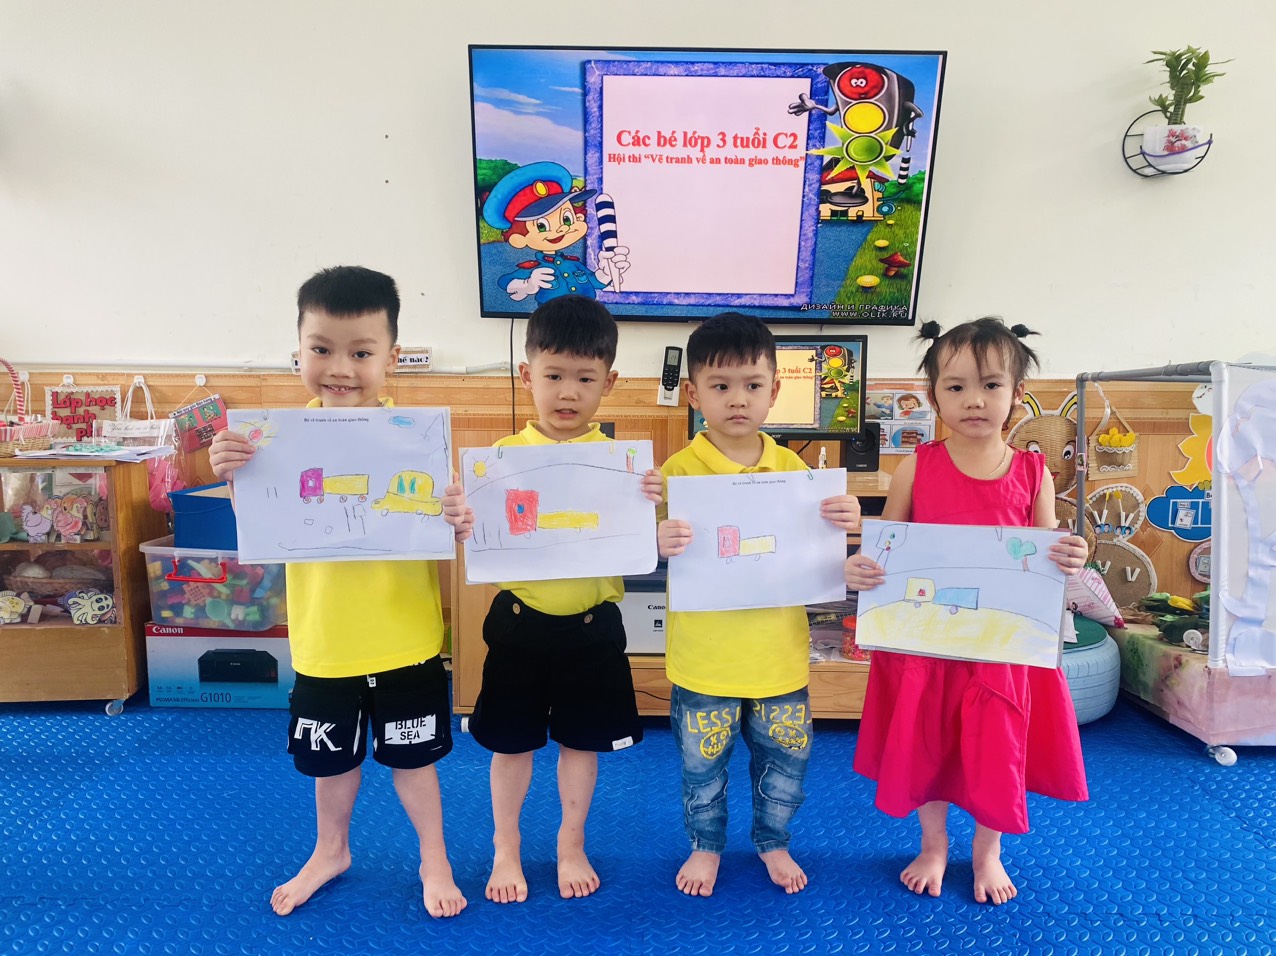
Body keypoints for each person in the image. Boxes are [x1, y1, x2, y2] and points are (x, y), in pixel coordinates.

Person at [209, 266, 473, 919]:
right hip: (324, 641)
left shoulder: (414, 439)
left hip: (405, 638)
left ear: (391, 357)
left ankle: (433, 858)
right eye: (321, 348)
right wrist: (234, 475)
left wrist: (457, 516)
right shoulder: (270, 442)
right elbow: (258, 525)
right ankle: (331, 850)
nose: (340, 368)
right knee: (329, 763)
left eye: (361, 352)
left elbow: (445, 525)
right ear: (297, 349)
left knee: (415, 761)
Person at [843, 317, 1090, 906]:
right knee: (926, 742)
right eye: (955, 387)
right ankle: (933, 845)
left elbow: (1048, 552)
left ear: (1017, 394)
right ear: (934, 398)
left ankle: (988, 850)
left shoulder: (1033, 472)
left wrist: (1073, 555)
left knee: (995, 746)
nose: (974, 400)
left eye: (990, 385)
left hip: (1000, 648)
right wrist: (861, 567)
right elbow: (888, 548)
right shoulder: (916, 466)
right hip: (928, 646)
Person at [460, 295, 662, 904]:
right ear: (527, 375)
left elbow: (652, 545)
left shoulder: (627, 469)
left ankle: (571, 843)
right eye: (553, 376)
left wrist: (656, 503)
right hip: (520, 626)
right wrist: (461, 519)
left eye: (585, 378)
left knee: (581, 742)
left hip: (593, 629)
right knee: (511, 744)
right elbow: (477, 537)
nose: (567, 392)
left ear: (609, 383)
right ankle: (506, 847)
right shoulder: (498, 463)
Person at [656, 312, 862, 897]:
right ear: (693, 394)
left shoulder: (796, 472)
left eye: (752, 385)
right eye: (720, 386)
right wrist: (655, 538)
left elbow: (816, 561)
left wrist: (846, 522)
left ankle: (774, 841)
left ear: (774, 391)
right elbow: (639, 545)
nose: (737, 399)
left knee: (786, 766)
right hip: (704, 661)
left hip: (778, 658)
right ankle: (706, 844)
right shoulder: (675, 473)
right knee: (702, 769)